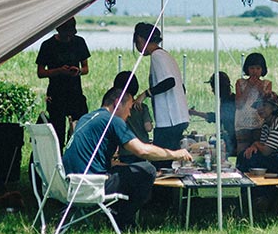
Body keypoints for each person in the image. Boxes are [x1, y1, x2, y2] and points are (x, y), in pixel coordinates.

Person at [63, 84, 192, 223]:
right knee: (148, 170)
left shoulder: (87, 118)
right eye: (129, 108)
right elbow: (142, 151)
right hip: (90, 184)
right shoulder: (112, 120)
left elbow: (101, 160)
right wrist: (175, 154)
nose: (129, 114)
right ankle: (122, 219)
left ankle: (113, 214)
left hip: (70, 182)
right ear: (117, 103)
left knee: (134, 168)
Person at [133, 22, 189, 150]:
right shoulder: (165, 55)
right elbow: (181, 87)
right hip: (178, 117)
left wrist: (144, 94)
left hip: (170, 120)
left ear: (140, 39)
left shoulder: (157, 56)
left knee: (161, 159)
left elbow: (169, 82)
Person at [36, 18, 89, 147]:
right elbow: (41, 72)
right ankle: (58, 157)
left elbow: (86, 69)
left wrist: (78, 71)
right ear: (60, 30)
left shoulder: (79, 42)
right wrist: (59, 71)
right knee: (57, 132)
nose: (69, 38)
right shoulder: (48, 45)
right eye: (67, 34)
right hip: (56, 94)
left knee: (81, 127)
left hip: (75, 92)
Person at [190, 71, 236, 159]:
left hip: (232, 141)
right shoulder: (226, 100)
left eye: (213, 88)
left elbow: (217, 118)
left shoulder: (230, 102)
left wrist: (195, 113)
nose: (212, 90)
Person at [233, 52, 273, 153]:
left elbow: (268, 103)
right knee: (242, 150)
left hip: (259, 123)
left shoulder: (266, 84)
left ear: (262, 70)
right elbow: (239, 104)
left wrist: (260, 89)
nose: (254, 71)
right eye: (252, 68)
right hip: (242, 123)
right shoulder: (240, 83)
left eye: (258, 68)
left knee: (257, 150)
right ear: (247, 69)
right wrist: (248, 87)